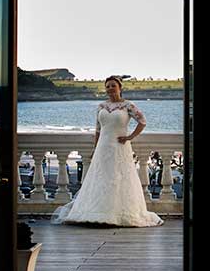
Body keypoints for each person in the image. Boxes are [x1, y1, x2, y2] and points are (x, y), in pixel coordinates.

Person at [51, 75, 163, 227]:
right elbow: (98, 130)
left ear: (120, 88)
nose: (110, 88)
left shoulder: (128, 105)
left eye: (113, 85)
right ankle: (96, 212)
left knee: (119, 179)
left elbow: (142, 122)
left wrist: (130, 137)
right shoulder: (101, 106)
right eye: (107, 86)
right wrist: (95, 148)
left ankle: (117, 214)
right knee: (101, 178)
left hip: (119, 147)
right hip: (103, 147)